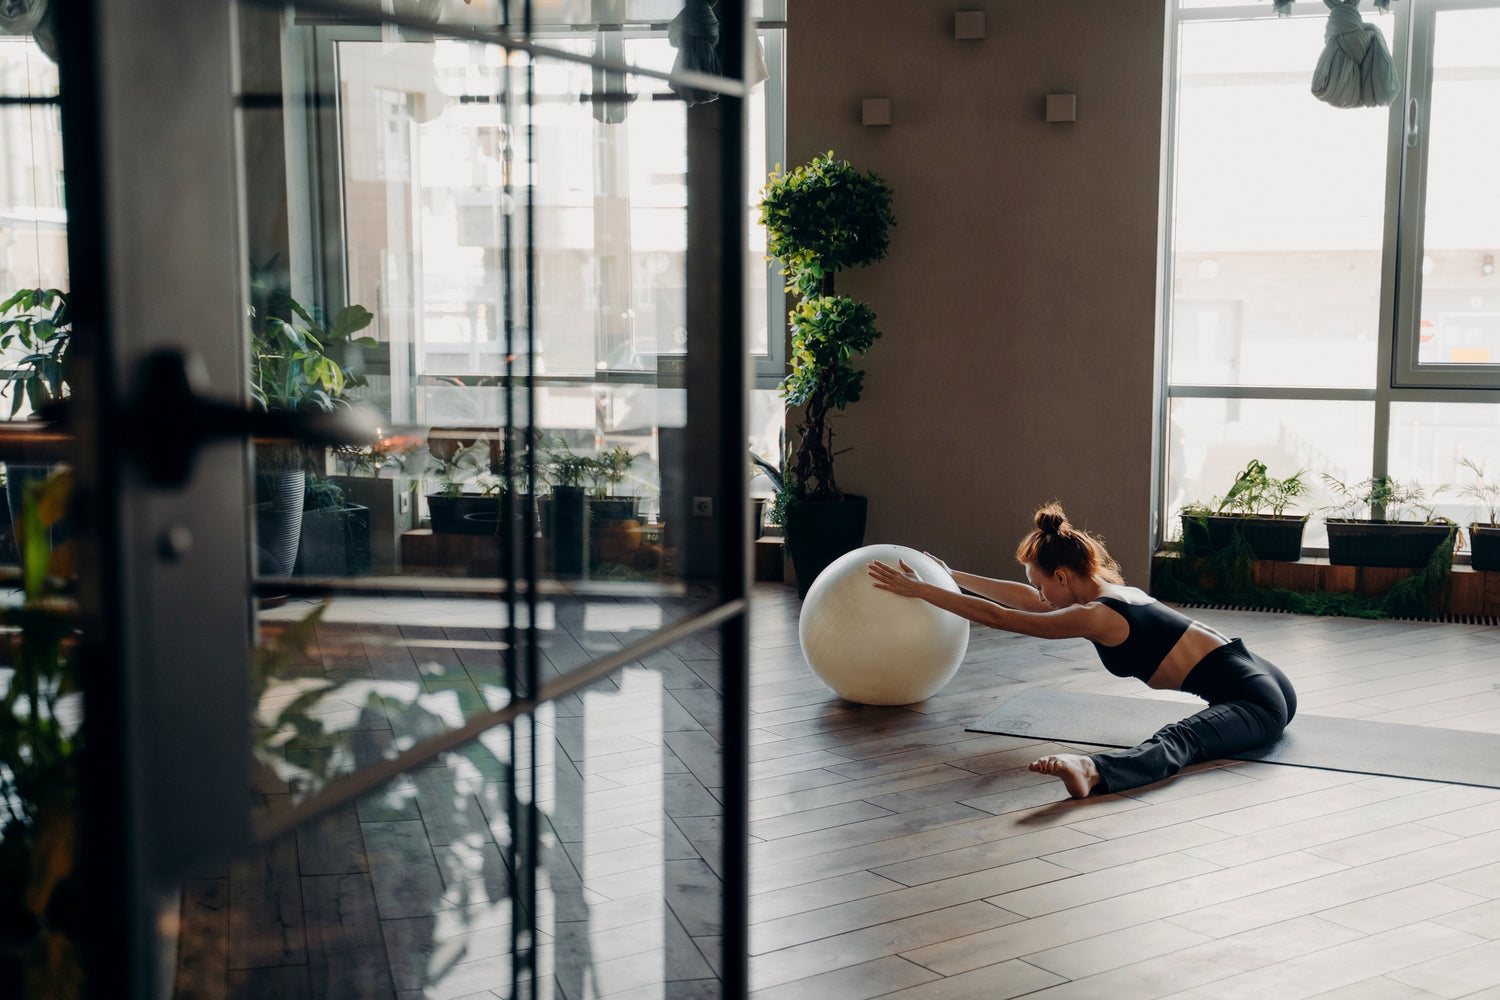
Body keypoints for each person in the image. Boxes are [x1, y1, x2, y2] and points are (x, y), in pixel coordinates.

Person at [866, 502, 1296, 799]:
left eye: (1042, 585)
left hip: (1255, 700)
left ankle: (1094, 771)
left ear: (1061, 575)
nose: (1039, 595)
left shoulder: (1098, 615)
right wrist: (949, 575)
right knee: (1191, 732)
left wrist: (922, 590)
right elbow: (1023, 598)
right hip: (1263, 676)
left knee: (1179, 739)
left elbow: (1002, 618)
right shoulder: (1112, 590)